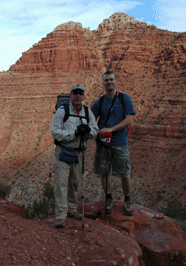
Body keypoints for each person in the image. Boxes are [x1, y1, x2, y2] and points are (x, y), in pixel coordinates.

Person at [51, 84, 99, 228]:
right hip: (64, 152)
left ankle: (72, 210)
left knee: (74, 183)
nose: (78, 95)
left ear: (83, 96)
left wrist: (87, 131)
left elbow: (95, 131)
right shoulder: (62, 111)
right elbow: (55, 131)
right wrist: (74, 134)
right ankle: (60, 216)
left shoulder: (86, 111)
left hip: (79, 154)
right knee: (61, 184)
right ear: (71, 95)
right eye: (75, 93)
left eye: (80, 93)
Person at [91, 70, 136, 216]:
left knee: (124, 173)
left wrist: (111, 129)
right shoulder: (100, 102)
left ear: (116, 81)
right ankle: (109, 198)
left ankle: (127, 201)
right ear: (103, 83)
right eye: (106, 80)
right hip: (103, 143)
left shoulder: (125, 99)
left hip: (120, 142)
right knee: (104, 173)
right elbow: (91, 120)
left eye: (111, 80)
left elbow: (129, 119)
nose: (109, 82)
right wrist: (96, 131)